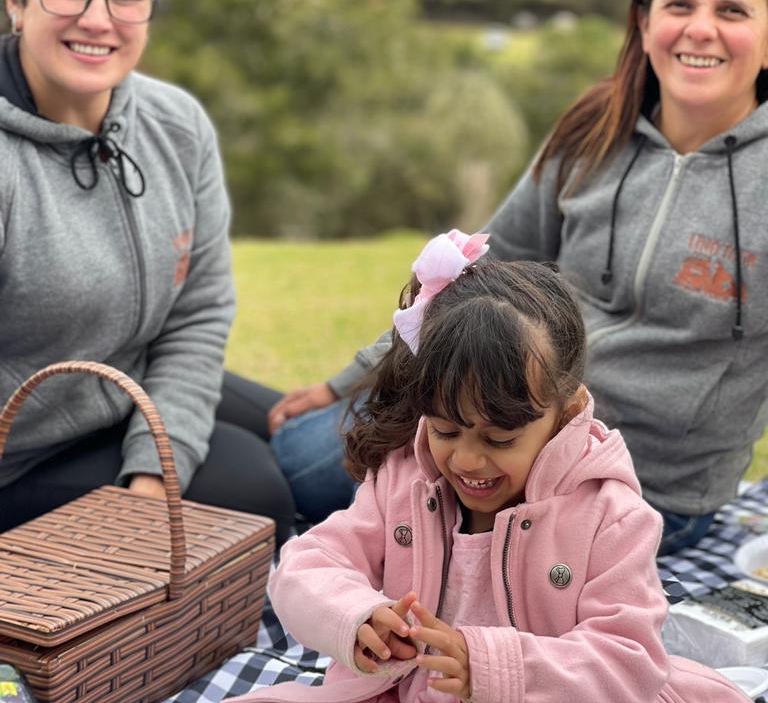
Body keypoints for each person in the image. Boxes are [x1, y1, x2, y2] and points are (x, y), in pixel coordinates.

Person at [269, 0, 768, 553]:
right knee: (295, 443)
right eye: (679, 4)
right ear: (644, 22)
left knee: (291, 476)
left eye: (733, 10)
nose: (700, 29)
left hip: (638, 485)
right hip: (494, 417)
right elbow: (472, 273)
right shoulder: (596, 127)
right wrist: (352, 379)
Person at [228, 231, 745, 703]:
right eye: (446, 430)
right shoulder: (406, 477)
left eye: (500, 438)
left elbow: (628, 663)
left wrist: (492, 667)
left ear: (564, 412)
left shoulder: (611, 516)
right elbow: (304, 563)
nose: (468, 460)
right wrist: (355, 616)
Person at [0, 0, 295, 544]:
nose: (97, 19)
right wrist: (147, 490)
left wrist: (153, 469)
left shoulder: (175, 122)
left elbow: (198, 312)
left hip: (128, 385)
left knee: (330, 443)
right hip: (20, 455)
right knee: (252, 492)